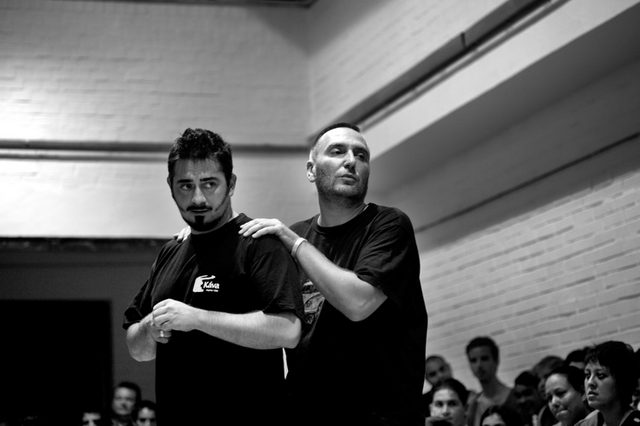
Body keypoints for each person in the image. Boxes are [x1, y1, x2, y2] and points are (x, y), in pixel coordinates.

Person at [236, 122, 429, 425]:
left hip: (382, 414)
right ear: (311, 170)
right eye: (337, 151)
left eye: (361, 155)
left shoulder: (388, 224)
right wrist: (195, 239)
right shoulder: (296, 235)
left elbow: (358, 303)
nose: (351, 161)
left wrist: (294, 243)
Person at [123, 128, 304, 425]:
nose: (198, 198)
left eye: (209, 184)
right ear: (170, 186)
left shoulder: (258, 244)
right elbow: (136, 347)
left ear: (231, 184)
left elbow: (288, 330)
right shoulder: (171, 252)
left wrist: (197, 318)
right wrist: (150, 327)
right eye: (185, 185)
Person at [575, 341, 640, 426]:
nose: (590, 382)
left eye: (600, 375)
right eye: (587, 375)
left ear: (622, 381)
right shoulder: (586, 424)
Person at [465, 336, 522, 426]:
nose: (479, 365)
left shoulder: (515, 397)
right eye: (473, 360)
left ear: (496, 360)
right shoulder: (473, 405)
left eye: (484, 359)